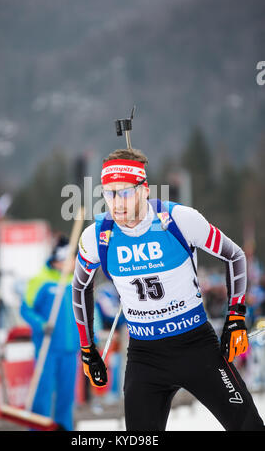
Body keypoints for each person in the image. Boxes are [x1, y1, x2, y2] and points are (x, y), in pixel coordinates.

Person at [72, 147, 264, 431]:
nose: (117, 202)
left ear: (144, 190)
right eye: (109, 193)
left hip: (196, 347)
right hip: (145, 357)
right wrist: (88, 349)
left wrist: (235, 318)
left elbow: (234, 255)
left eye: (125, 191)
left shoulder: (179, 220)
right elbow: (79, 288)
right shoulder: (97, 236)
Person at [20, 235, 80, 431]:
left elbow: (87, 313)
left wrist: (91, 337)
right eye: (70, 259)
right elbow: (26, 309)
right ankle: (38, 427)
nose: (73, 263)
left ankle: (65, 428)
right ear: (58, 261)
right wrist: (40, 324)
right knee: (43, 392)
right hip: (48, 348)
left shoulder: (76, 283)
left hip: (71, 349)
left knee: (67, 395)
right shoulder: (41, 281)